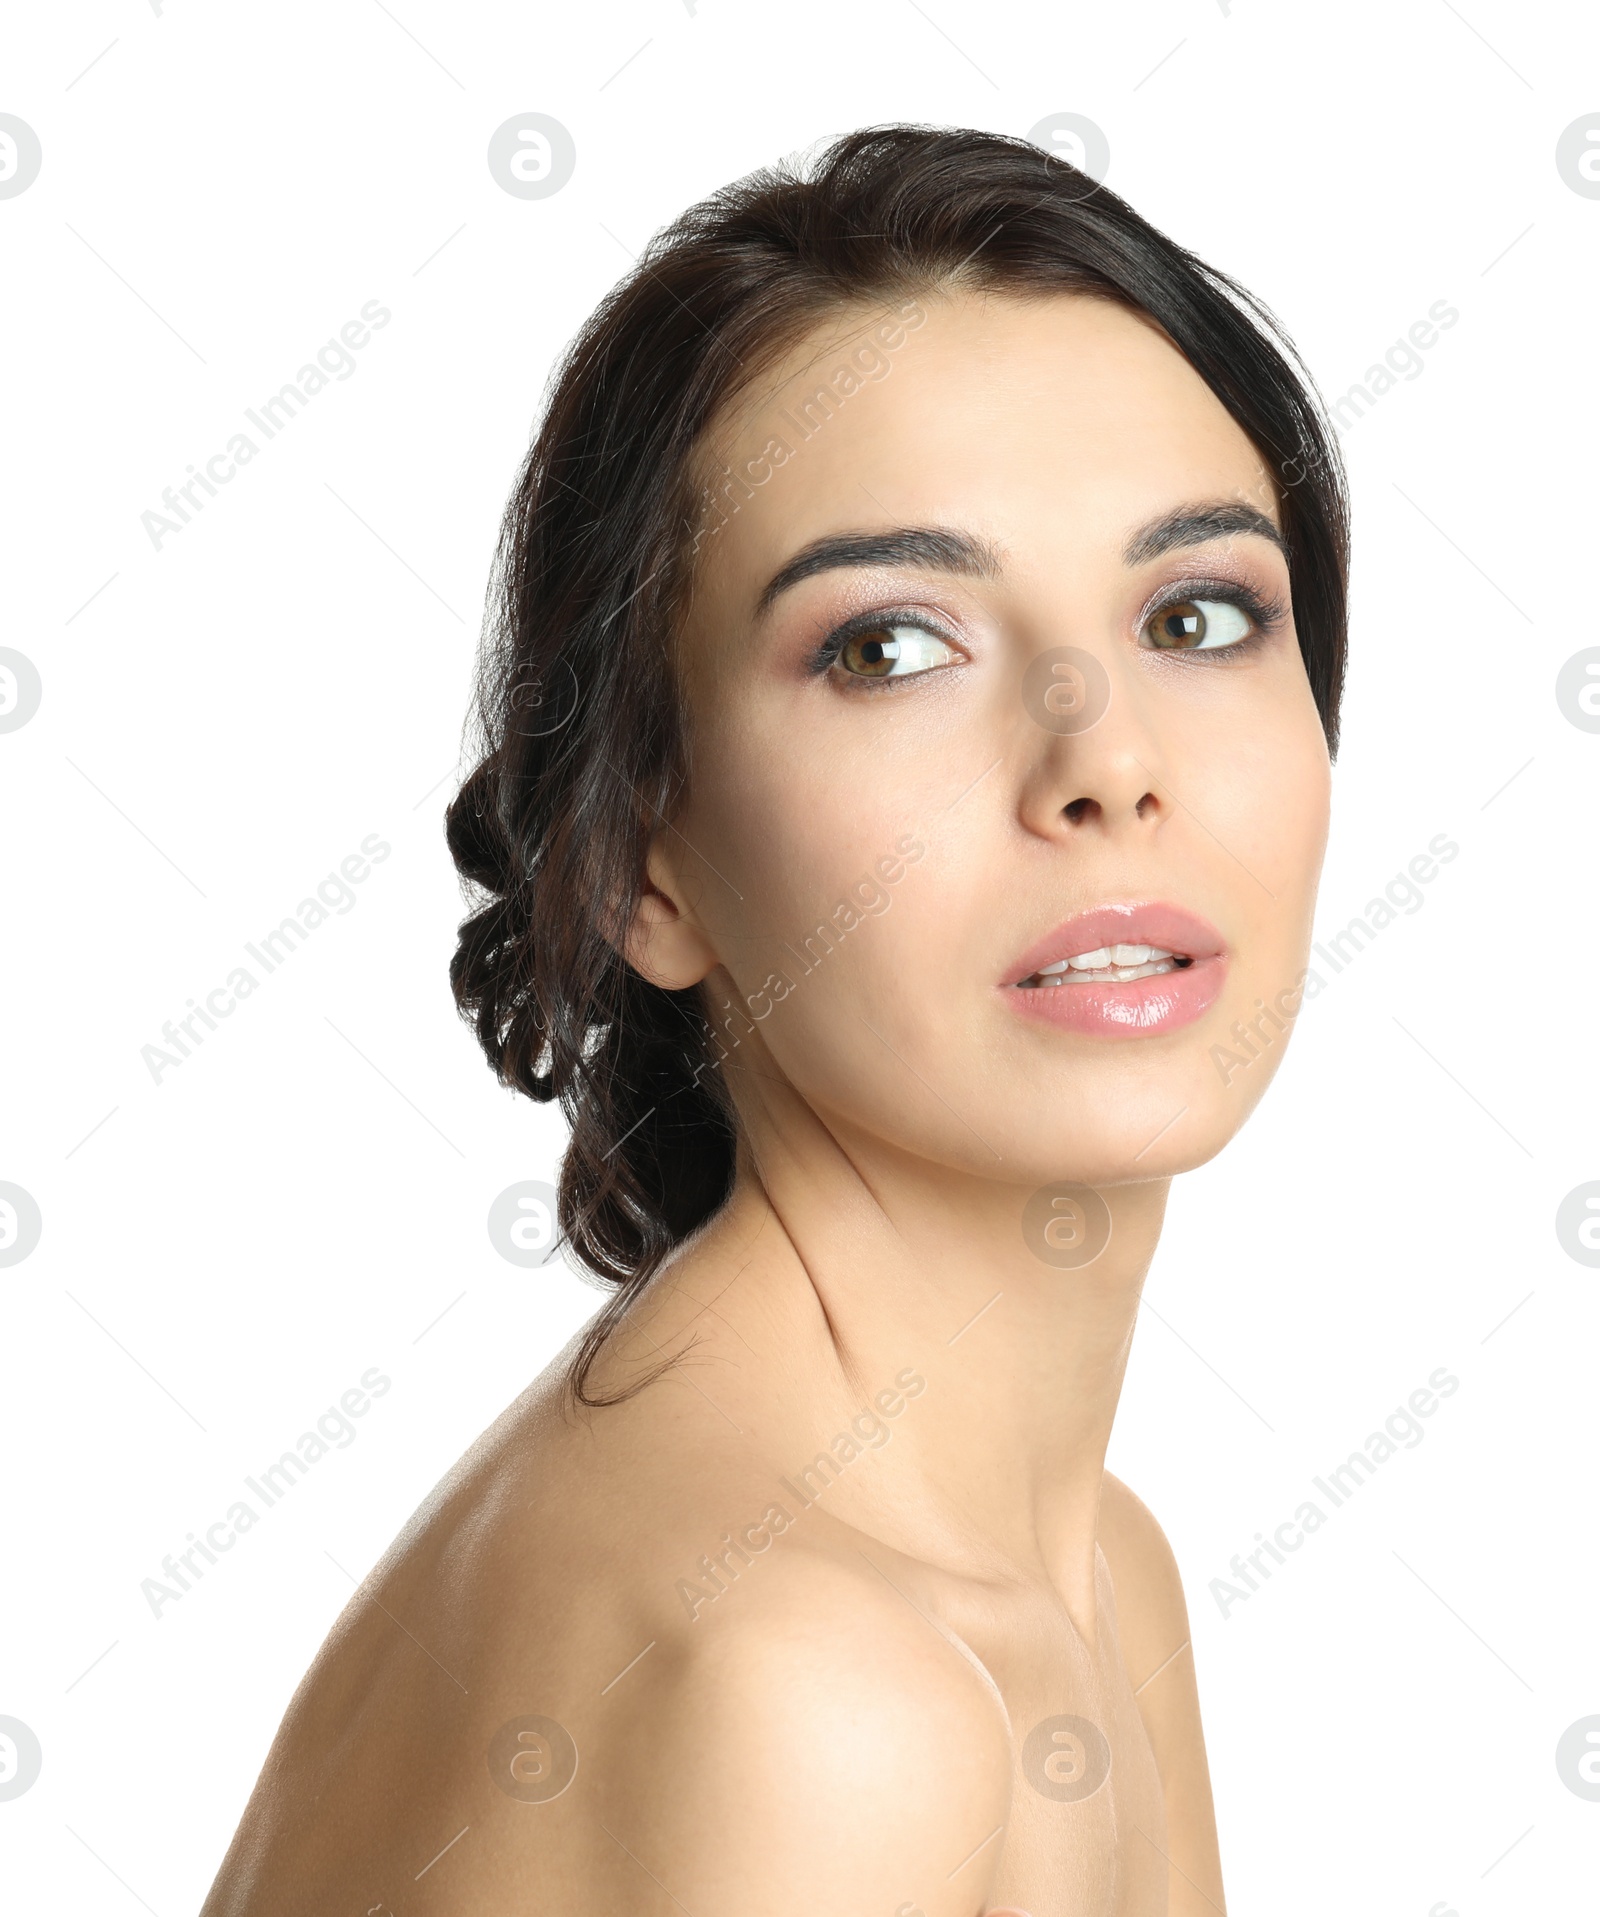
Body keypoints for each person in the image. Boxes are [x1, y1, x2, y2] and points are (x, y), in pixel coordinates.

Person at [201, 124, 1347, 1916]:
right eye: (891, 645)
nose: (1107, 759)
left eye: (1198, 612)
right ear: (640, 858)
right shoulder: (814, 1691)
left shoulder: (1101, 1580)